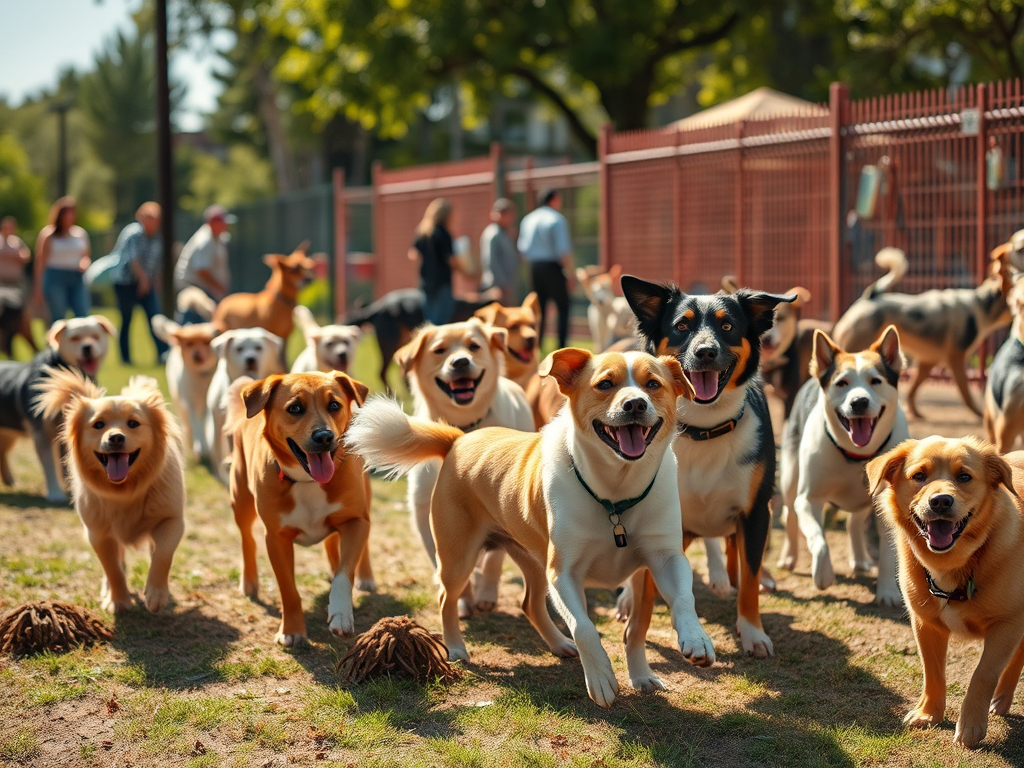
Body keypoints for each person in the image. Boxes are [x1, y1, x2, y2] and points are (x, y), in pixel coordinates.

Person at [110, 202, 168, 365]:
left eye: (156, 218)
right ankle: (125, 358)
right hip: (126, 284)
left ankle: (163, 354)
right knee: (127, 319)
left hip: (147, 284)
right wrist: (143, 281)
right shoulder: (133, 233)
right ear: (141, 217)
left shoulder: (157, 237)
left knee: (154, 318)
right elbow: (133, 260)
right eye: (149, 217)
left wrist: (154, 283)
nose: (153, 221)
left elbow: (157, 263)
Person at [518, 189, 573, 349]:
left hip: (534, 268)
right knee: (563, 308)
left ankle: (536, 347)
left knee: (537, 311)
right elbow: (563, 251)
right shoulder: (556, 219)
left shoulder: (527, 220)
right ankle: (562, 347)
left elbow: (523, 251)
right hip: (553, 267)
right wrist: (570, 273)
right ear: (555, 199)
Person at [174, 204, 235, 323]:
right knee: (197, 325)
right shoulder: (204, 240)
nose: (226, 225)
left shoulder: (217, 237)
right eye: (223, 222)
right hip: (192, 288)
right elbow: (201, 270)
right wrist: (218, 287)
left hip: (204, 289)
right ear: (213, 223)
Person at [33, 196, 91, 320]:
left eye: (72, 213)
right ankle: (54, 339)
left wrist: (84, 263)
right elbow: (40, 261)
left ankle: (81, 339)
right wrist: (38, 287)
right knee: (58, 317)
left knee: (82, 314)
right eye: (66, 213)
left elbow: (86, 256)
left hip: (76, 276)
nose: (69, 216)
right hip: (55, 277)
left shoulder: (80, 234)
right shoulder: (49, 235)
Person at [408, 198, 458, 325]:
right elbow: (451, 259)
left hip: (426, 282)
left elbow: (413, 254)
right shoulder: (443, 234)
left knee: (429, 320)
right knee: (441, 320)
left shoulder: (422, 233)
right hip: (442, 282)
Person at [479, 198, 519, 302]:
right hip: (497, 287)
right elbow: (491, 261)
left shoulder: (505, 232)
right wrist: (502, 284)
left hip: (508, 284)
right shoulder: (493, 234)